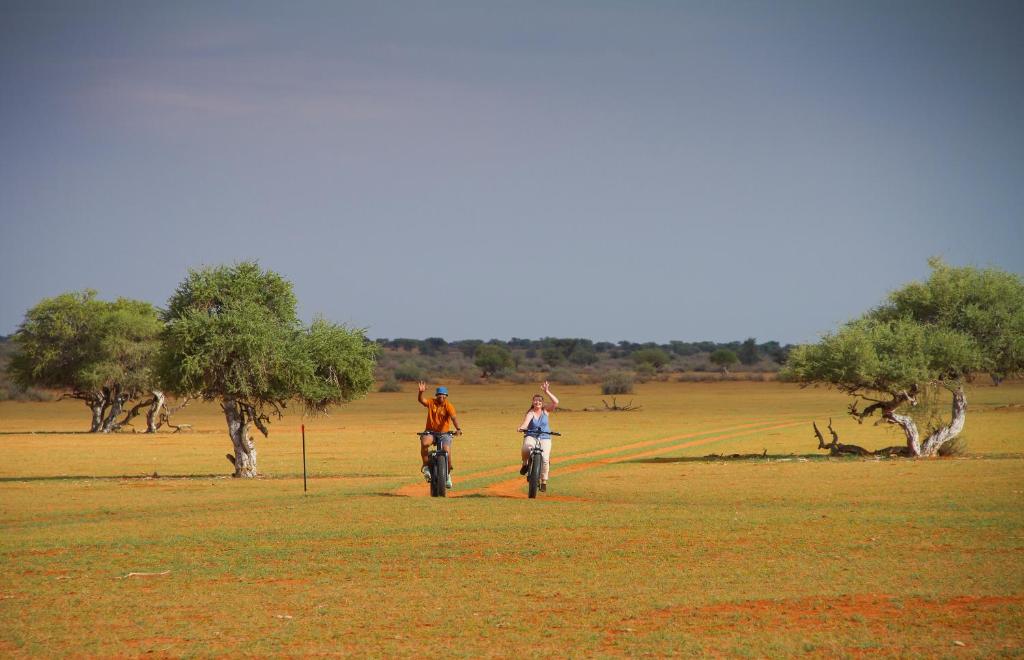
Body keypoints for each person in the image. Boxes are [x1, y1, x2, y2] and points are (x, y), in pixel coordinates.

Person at [417, 381, 462, 489]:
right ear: (436, 396)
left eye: (443, 395)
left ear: (446, 396)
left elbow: (454, 418)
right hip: (431, 432)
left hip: (444, 433)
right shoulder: (431, 402)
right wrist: (421, 392)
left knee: (447, 452)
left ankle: (447, 475)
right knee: (425, 443)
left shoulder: (448, 406)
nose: (441, 397)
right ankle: (426, 466)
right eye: (439, 395)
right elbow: (421, 400)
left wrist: (458, 429)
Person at [517, 381, 559, 492]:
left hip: (545, 437)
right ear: (532, 402)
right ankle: (525, 464)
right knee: (526, 448)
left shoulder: (545, 411)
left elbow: (556, 402)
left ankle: (544, 481)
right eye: (535, 400)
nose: (537, 402)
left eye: (540, 401)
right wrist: (521, 428)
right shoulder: (530, 413)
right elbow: (526, 423)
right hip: (531, 435)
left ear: (542, 403)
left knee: (545, 459)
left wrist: (547, 391)